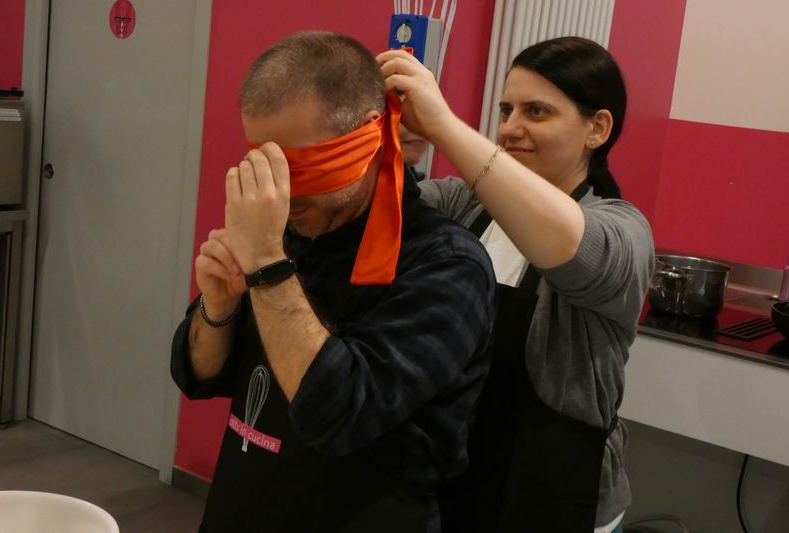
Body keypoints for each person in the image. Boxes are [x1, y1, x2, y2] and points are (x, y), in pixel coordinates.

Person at [170, 32, 496, 533]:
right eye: (270, 167)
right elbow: (200, 375)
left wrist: (267, 266)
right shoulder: (285, 230)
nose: (287, 196)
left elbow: (338, 413)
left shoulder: (447, 265)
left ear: (369, 135)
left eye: (306, 169)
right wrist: (219, 308)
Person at [378, 36, 655, 533]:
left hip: (554, 496)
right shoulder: (464, 206)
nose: (509, 128)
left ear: (597, 128)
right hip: (460, 479)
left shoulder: (623, 232)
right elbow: (378, 204)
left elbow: (568, 244)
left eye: (536, 112)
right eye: (506, 111)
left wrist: (443, 125)